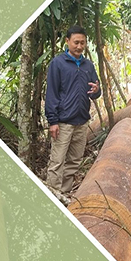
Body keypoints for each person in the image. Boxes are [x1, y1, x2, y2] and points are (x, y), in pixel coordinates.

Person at [44, 25, 101, 194]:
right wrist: (52, 121)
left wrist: (97, 91)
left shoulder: (88, 65)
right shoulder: (58, 64)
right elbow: (52, 93)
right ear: (67, 41)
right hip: (63, 122)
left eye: (82, 43)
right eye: (76, 42)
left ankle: (64, 194)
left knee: (74, 161)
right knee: (57, 161)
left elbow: (96, 92)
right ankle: (52, 195)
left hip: (81, 121)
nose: (79, 46)